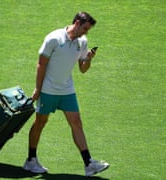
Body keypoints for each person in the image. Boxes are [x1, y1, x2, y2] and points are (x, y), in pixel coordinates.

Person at [23, 12, 109, 177]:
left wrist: (89, 59)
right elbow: (41, 64)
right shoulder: (54, 38)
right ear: (76, 23)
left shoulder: (82, 42)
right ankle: (31, 160)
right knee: (40, 122)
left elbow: (82, 69)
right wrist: (38, 89)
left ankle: (88, 163)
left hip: (67, 90)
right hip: (48, 89)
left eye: (88, 29)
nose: (86, 32)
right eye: (85, 28)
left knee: (76, 122)